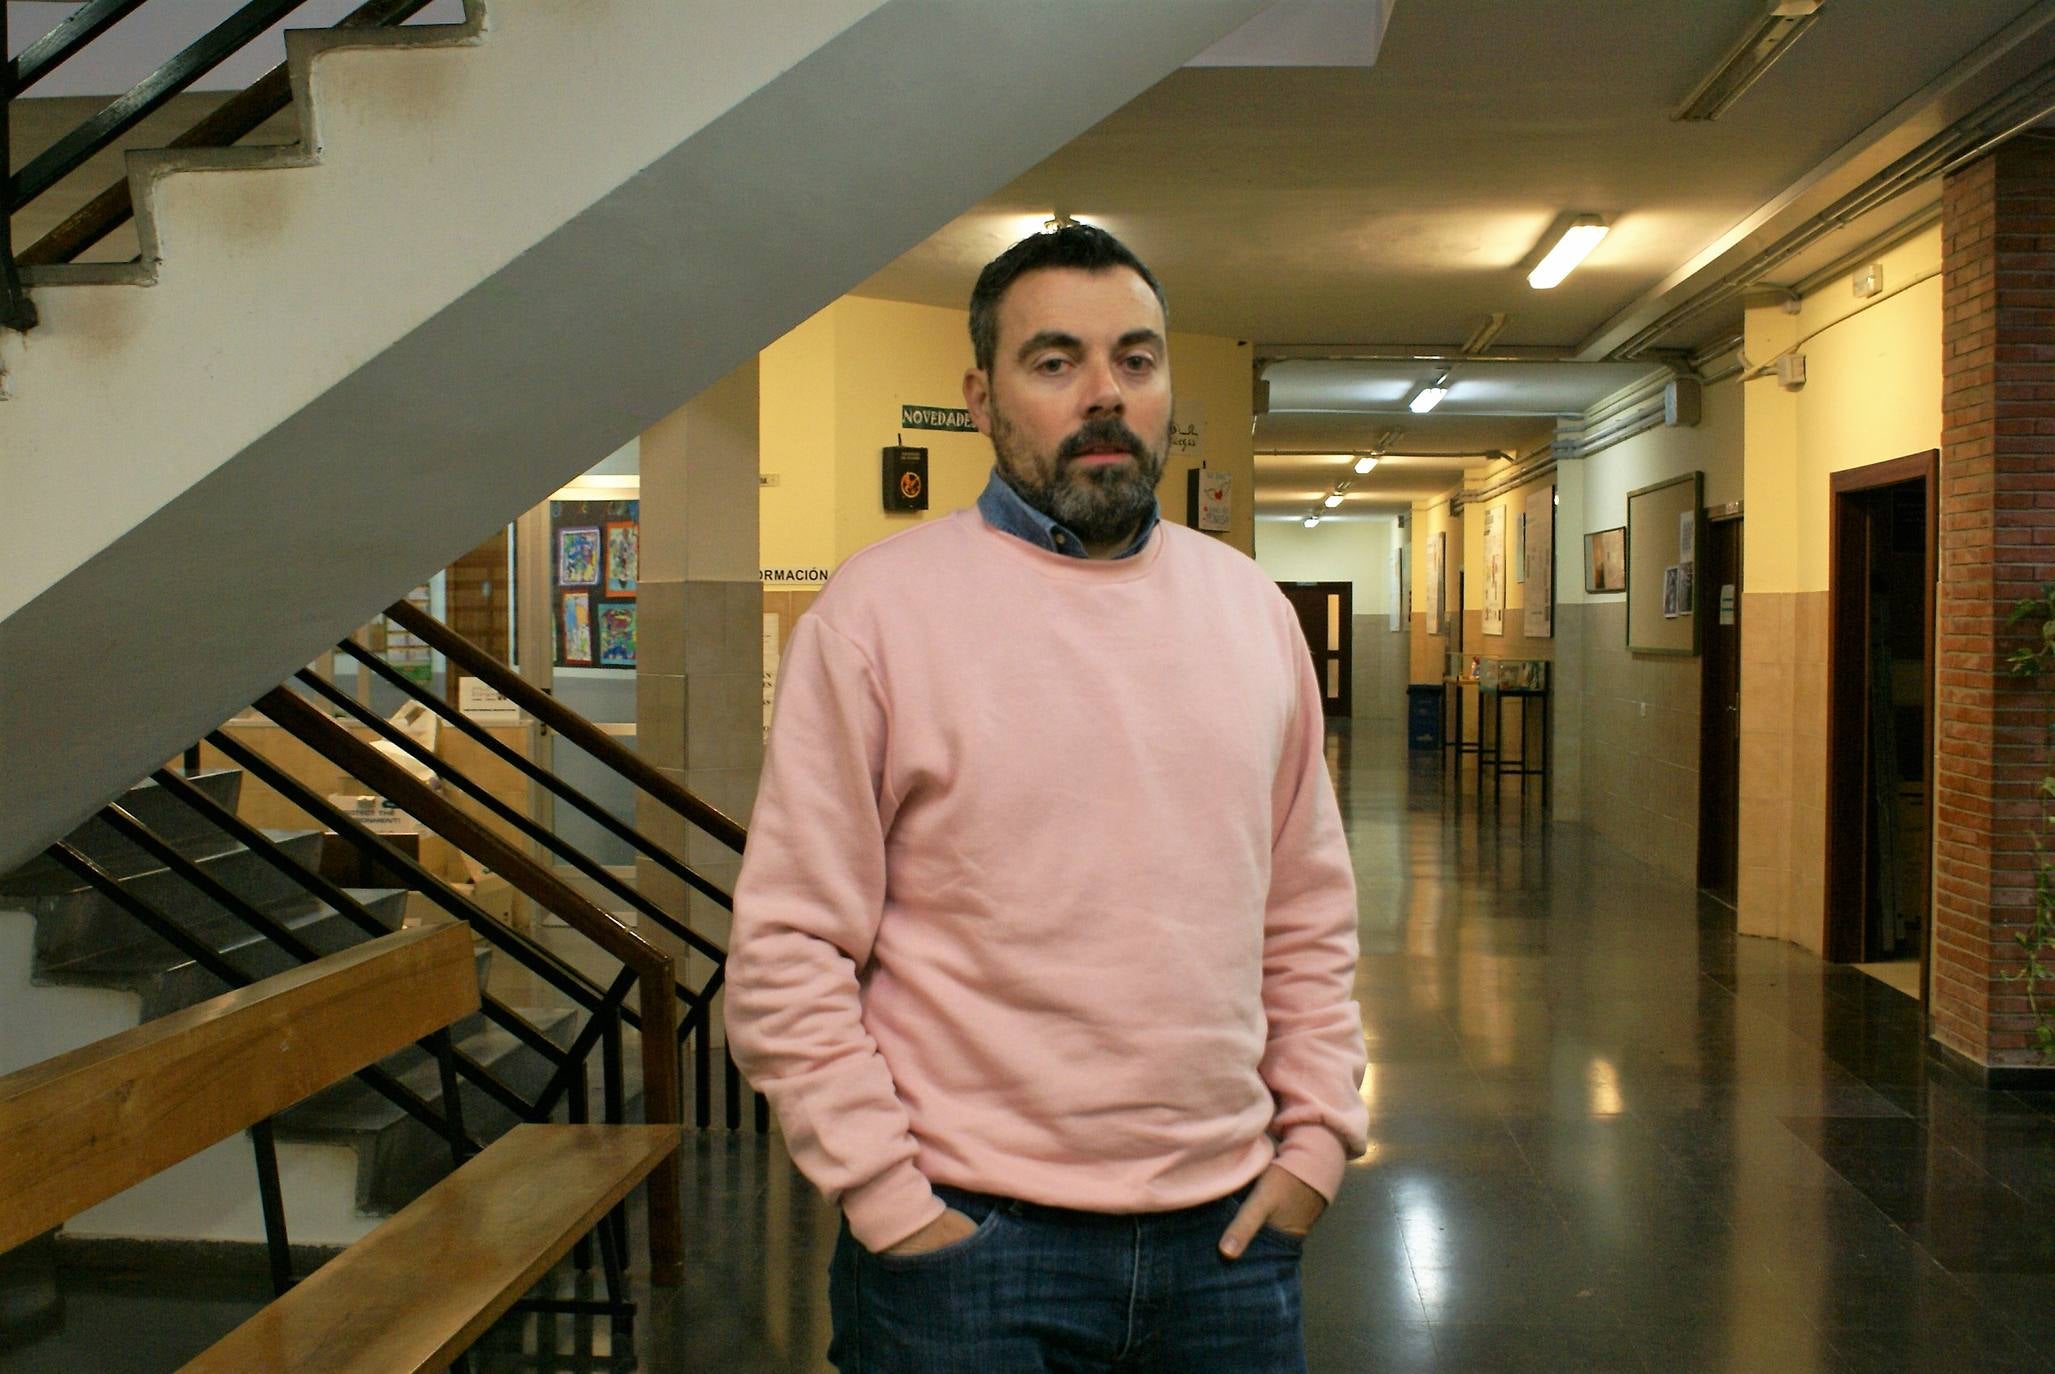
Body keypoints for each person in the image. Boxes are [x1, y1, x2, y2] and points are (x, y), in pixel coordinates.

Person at [725, 224, 1367, 1373]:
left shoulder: (1252, 612)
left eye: (1137, 357)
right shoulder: (879, 618)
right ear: (983, 396)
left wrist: (1314, 1145)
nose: (1105, 394)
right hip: (967, 1253)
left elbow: (1308, 915)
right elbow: (787, 951)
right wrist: (891, 1202)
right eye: (1056, 361)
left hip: (1227, 1244)